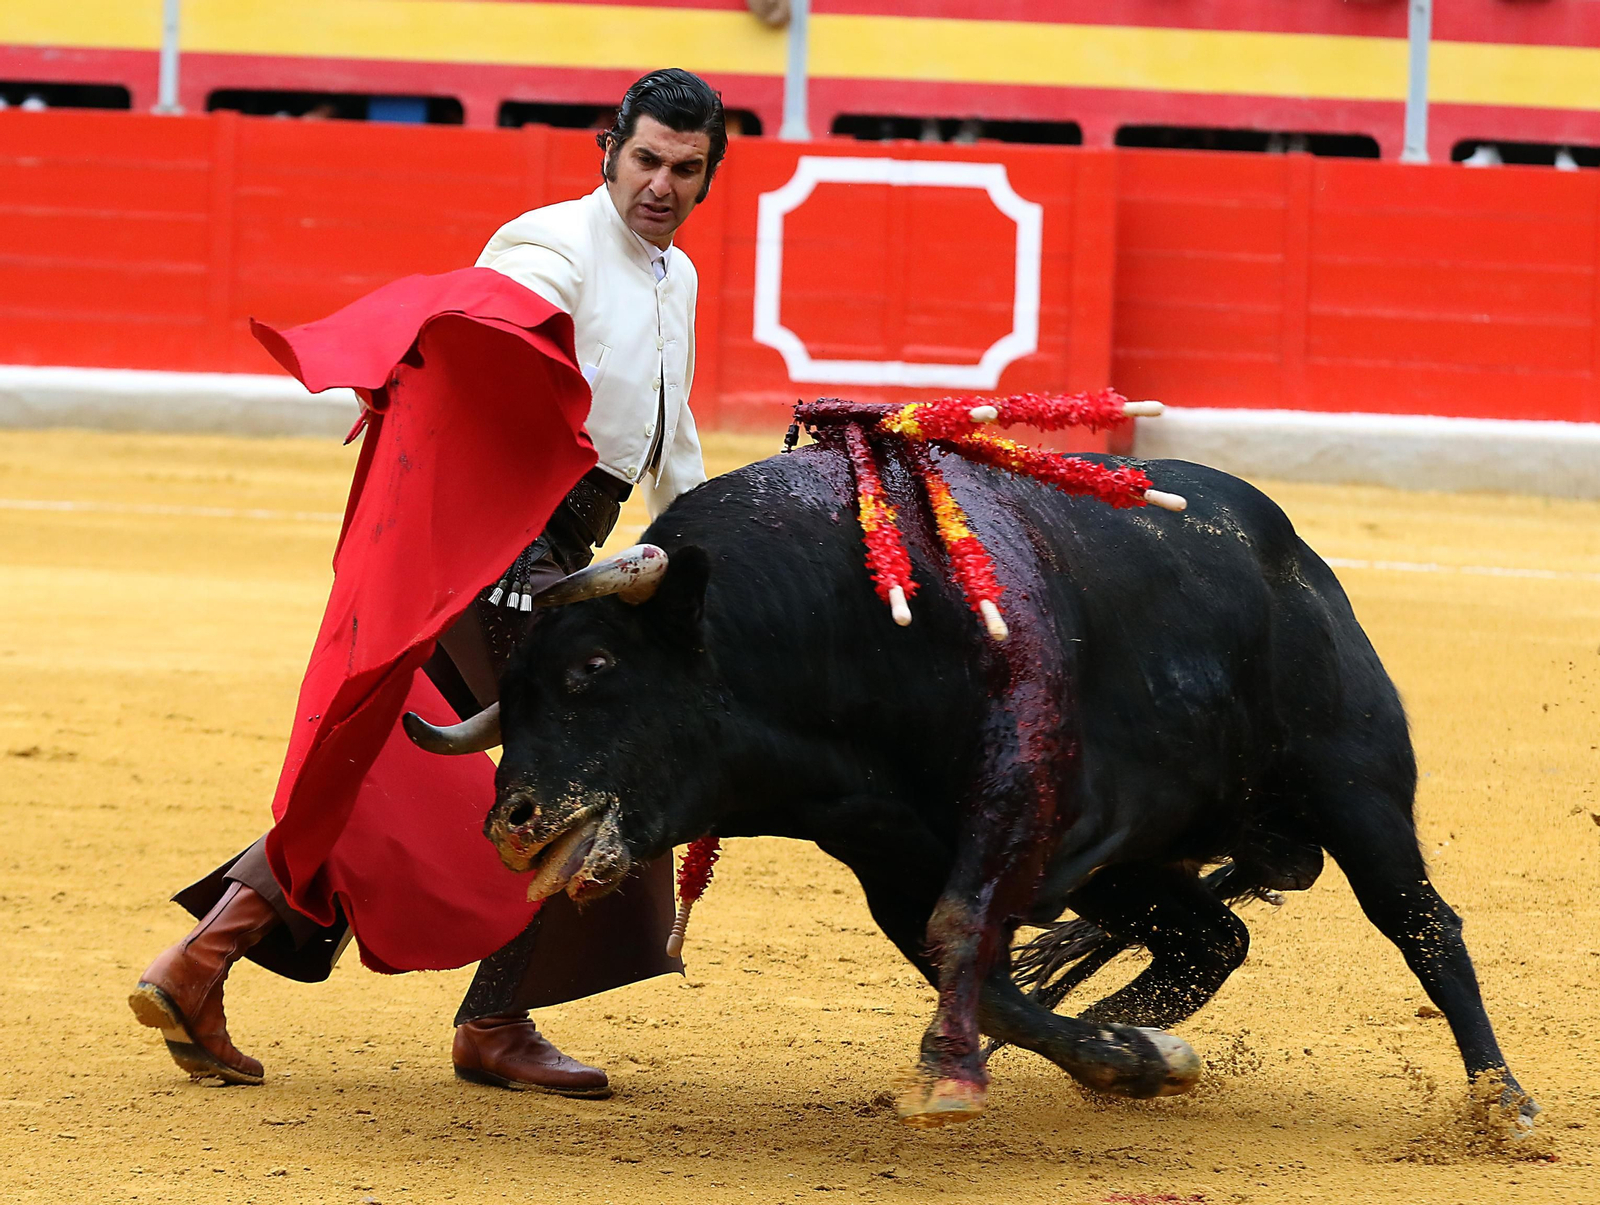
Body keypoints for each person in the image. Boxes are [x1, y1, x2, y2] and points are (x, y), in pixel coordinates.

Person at [130, 68, 726, 1099]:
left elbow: (669, 446)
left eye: (685, 168)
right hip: (499, 543)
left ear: (708, 175)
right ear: (608, 149)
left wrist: (720, 538)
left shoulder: (678, 281)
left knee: (389, 777)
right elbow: (493, 338)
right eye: (645, 160)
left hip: (562, 548)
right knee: (602, 756)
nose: (661, 184)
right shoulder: (550, 247)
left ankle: (200, 962)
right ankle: (494, 1020)